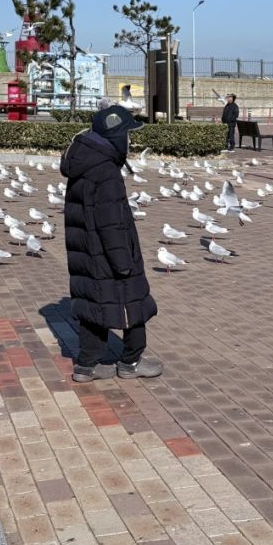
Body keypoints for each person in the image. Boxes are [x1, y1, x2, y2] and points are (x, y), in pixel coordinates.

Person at [60, 104, 163, 382]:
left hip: (86, 251)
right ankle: (131, 361)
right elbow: (111, 223)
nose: (130, 141)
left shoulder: (84, 162)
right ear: (116, 138)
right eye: (128, 135)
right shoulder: (106, 172)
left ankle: (87, 365)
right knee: (133, 300)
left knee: (94, 305)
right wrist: (124, 263)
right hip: (109, 252)